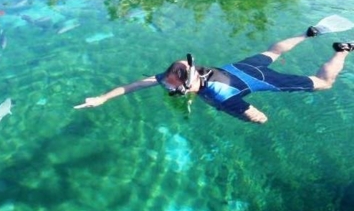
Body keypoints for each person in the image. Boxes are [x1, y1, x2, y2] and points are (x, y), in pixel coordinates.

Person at [74, 26, 354, 123]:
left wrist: (235, 113)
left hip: (257, 80)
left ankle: (342, 51)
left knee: (324, 84)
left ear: (186, 86)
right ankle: (307, 34)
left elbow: (262, 119)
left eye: (171, 88)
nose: (165, 86)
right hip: (241, 67)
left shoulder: (219, 98)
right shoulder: (182, 73)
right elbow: (137, 84)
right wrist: (101, 98)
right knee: (272, 52)